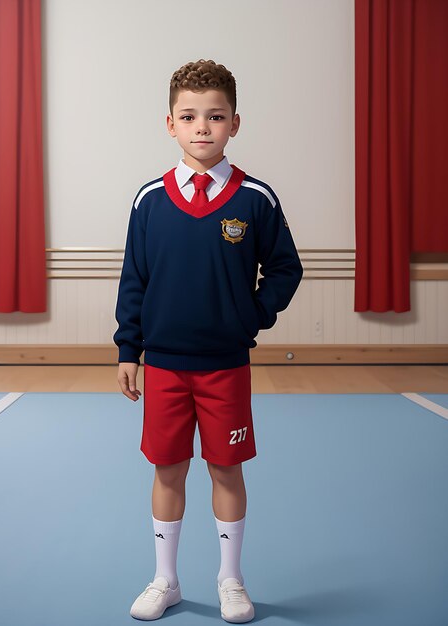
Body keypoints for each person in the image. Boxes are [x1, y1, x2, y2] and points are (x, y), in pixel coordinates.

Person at [114, 58, 303, 622]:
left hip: (225, 366)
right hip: (166, 367)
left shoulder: (255, 200)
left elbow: (286, 269)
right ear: (168, 124)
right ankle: (165, 579)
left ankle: (230, 579)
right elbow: (134, 278)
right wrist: (129, 349)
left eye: (215, 116)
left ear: (235, 123)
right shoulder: (149, 200)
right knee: (167, 469)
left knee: (226, 469)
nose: (203, 127)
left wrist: (253, 316)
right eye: (190, 116)